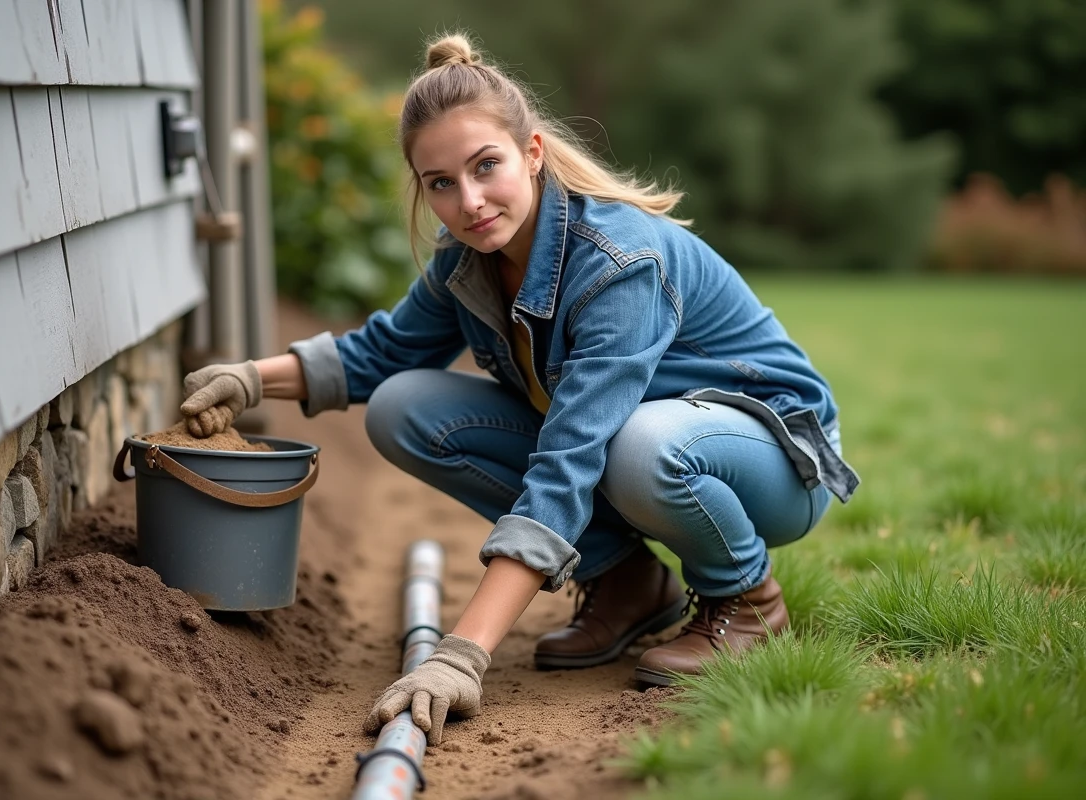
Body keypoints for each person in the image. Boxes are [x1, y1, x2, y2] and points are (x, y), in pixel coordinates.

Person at [179, 33, 859, 746]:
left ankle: (746, 599)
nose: (468, 201)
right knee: (404, 409)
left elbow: (571, 457)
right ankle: (628, 585)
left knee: (635, 447)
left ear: (532, 153)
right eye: (440, 182)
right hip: (645, 449)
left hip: (774, 458)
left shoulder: (617, 264)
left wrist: (462, 654)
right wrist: (250, 377)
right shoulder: (468, 263)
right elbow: (380, 354)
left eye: (486, 166)